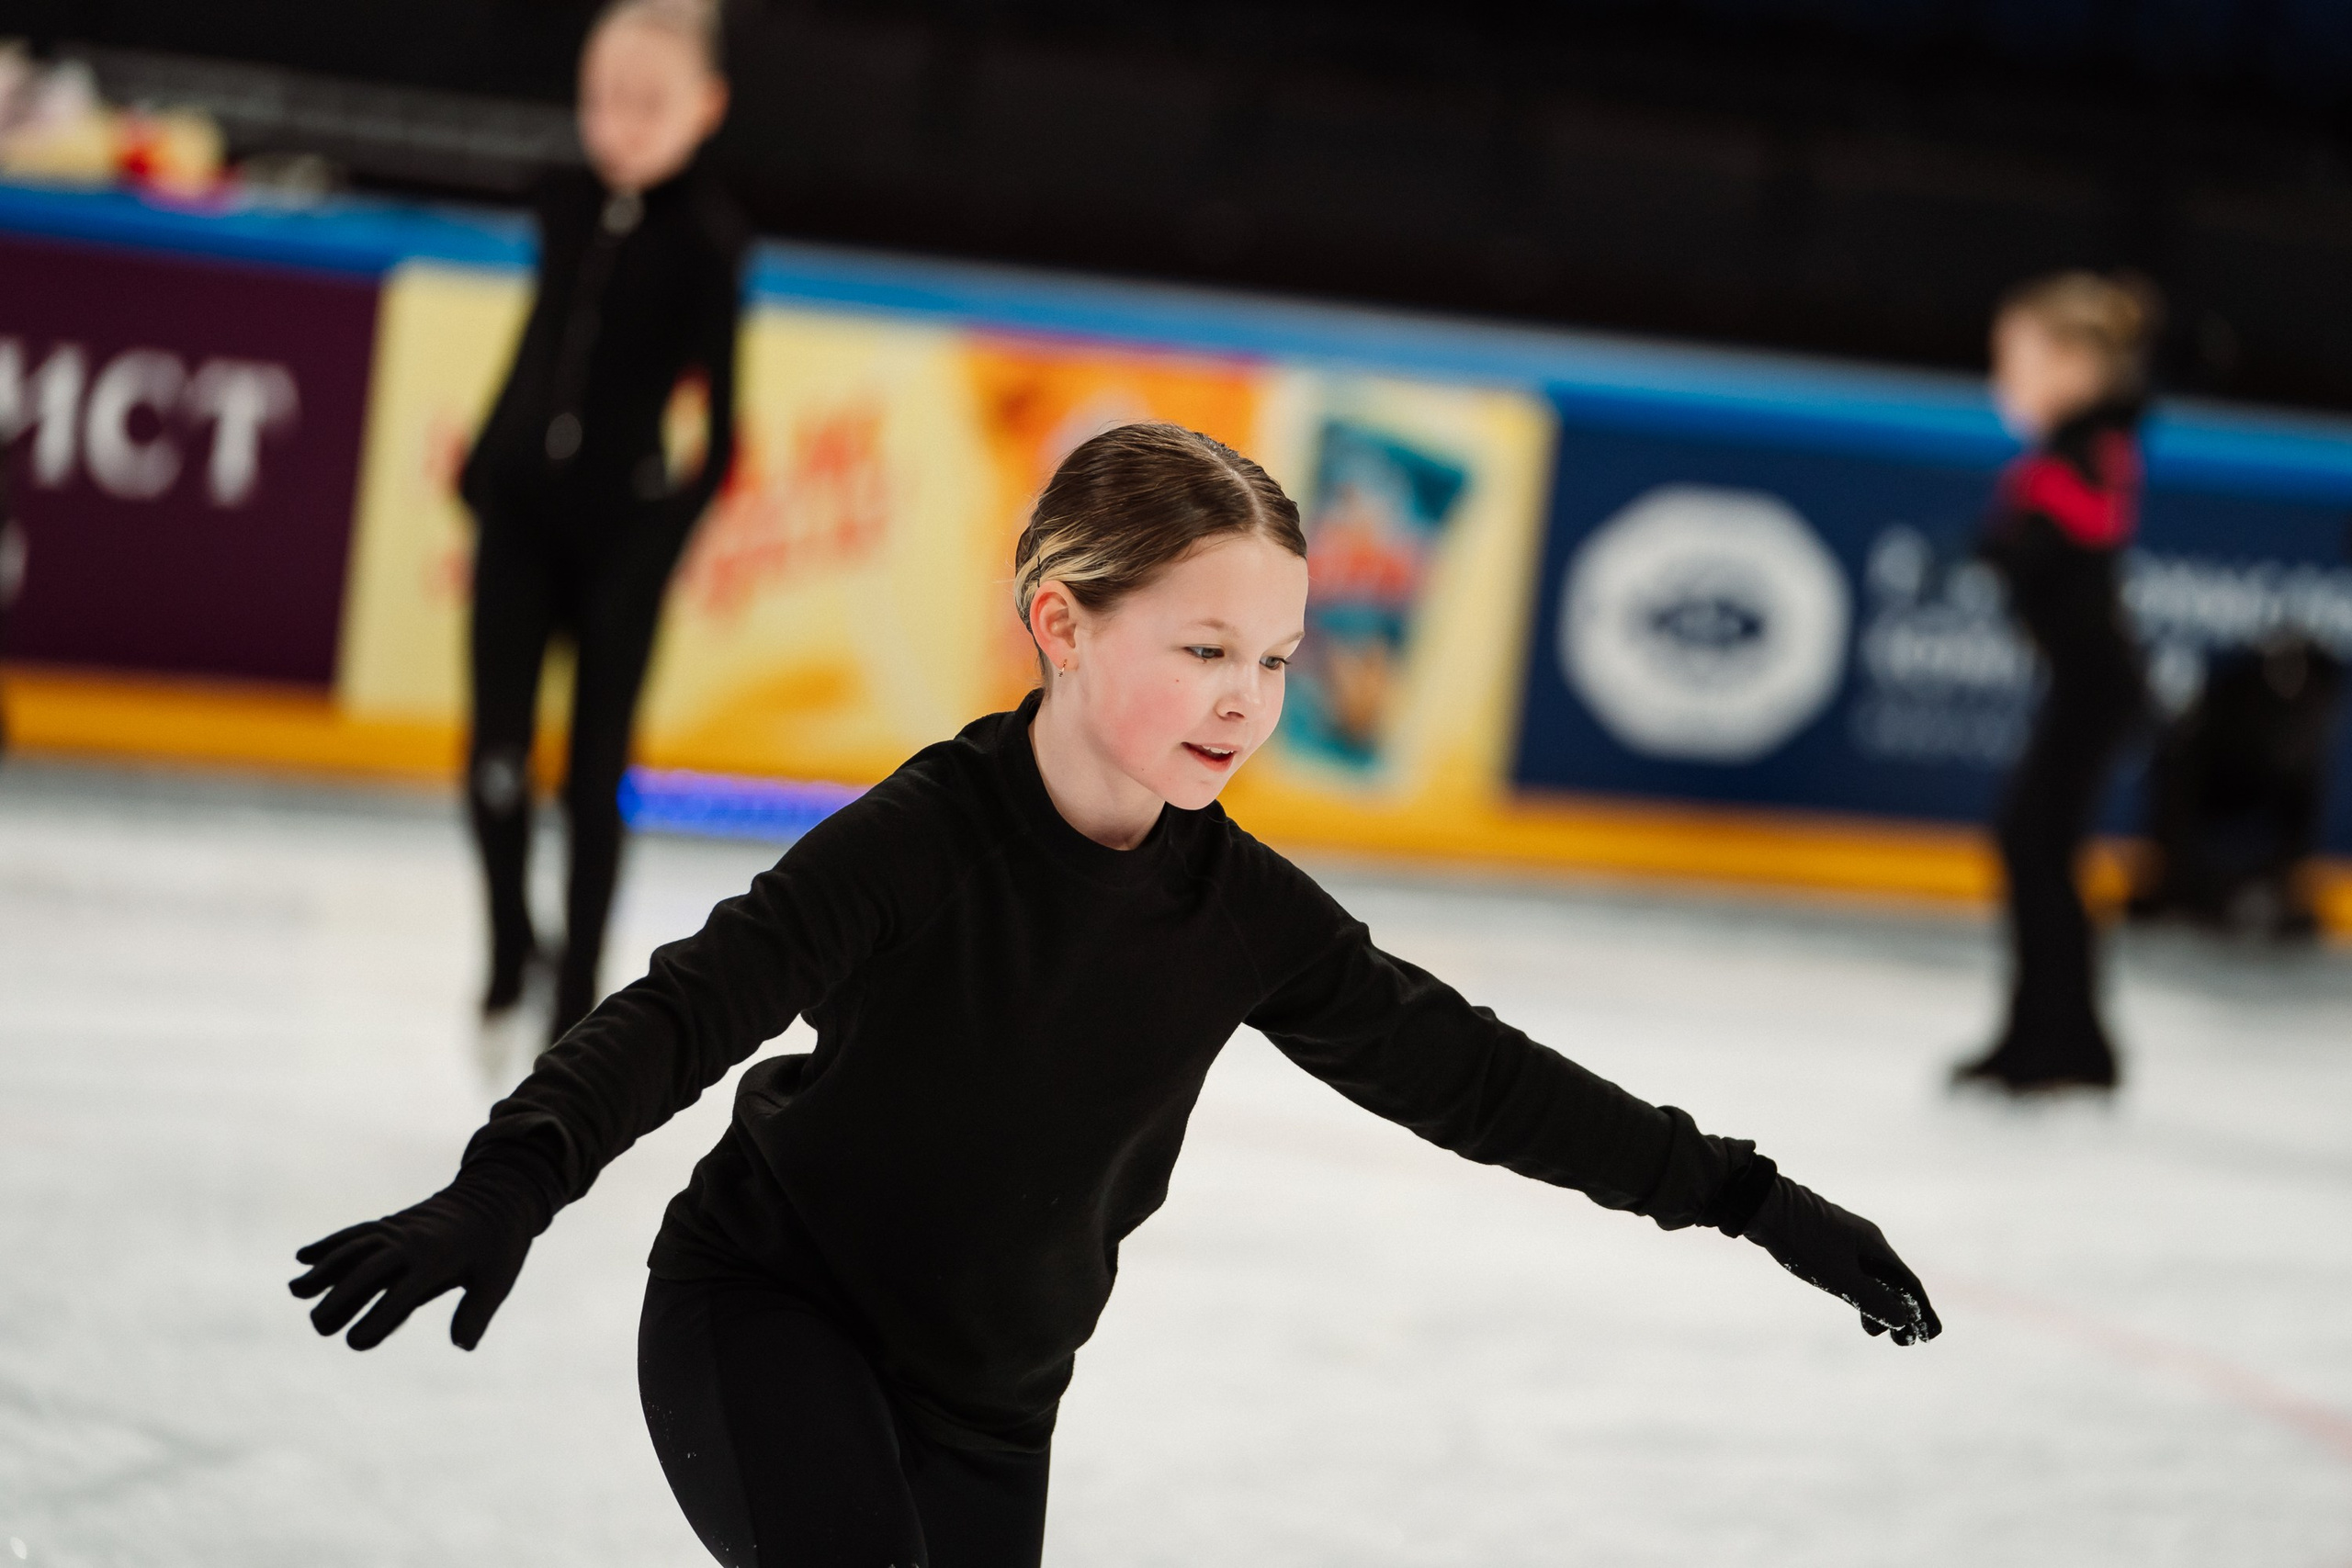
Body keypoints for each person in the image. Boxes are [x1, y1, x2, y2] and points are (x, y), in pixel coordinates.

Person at [294, 424, 1940, 1568]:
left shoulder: (1243, 915)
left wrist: (1747, 1197)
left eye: (1281, 658)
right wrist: (510, 1180)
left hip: (996, 1403)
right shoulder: (926, 841)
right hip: (768, 1312)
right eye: (1207, 648)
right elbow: (690, 1003)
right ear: (1062, 623)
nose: (1249, 701)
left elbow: (1477, 1079)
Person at [458, 0, 743, 1048]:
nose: (619, 122)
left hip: (624, 536)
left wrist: (661, 544)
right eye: (602, 98)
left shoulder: (710, 242)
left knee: (590, 775)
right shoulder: (564, 198)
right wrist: (487, 465)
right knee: (492, 756)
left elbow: (725, 434)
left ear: (704, 108)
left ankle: (572, 999)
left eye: (647, 101)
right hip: (521, 513)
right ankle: (505, 947)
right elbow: (538, 341)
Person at [1952, 271, 2156, 1095]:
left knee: (2036, 845)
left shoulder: (2094, 446)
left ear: (2073, 366)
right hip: (2086, 685)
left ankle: (2062, 1042)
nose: (2002, 376)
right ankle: (2052, 1035)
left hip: (2098, 686)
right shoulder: (2070, 451)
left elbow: (2091, 519)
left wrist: (2023, 533)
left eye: (2016, 358)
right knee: (2033, 845)